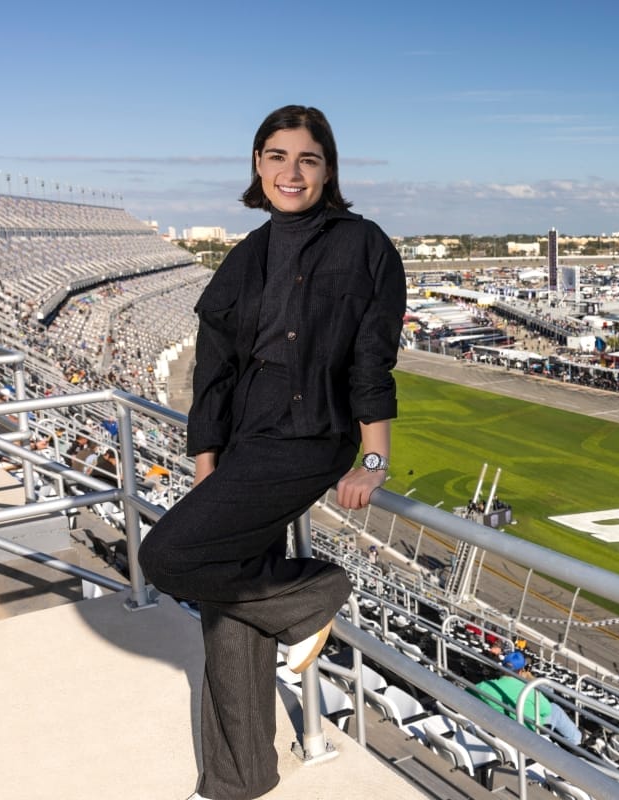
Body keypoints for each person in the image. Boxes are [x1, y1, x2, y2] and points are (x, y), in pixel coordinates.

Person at [138, 104, 406, 800]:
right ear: (258, 166)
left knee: (165, 556)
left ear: (328, 170)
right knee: (229, 615)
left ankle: (313, 594)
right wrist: (206, 462)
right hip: (243, 442)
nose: (292, 172)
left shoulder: (365, 244)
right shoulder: (244, 256)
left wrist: (374, 459)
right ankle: (238, 780)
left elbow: (372, 359)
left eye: (307, 159)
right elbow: (215, 368)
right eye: (277, 157)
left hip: (311, 436)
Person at [471, 651, 582, 746]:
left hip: (499, 728)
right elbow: (546, 710)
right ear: (521, 671)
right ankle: (576, 743)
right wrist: (530, 679)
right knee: (555, 709)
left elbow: (467, 693)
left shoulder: (485, 685)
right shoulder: (529, 690)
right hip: (528, 735)